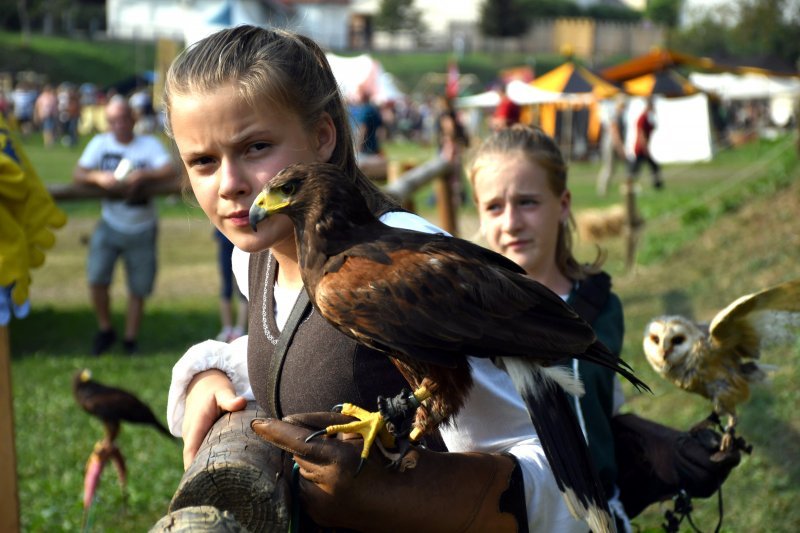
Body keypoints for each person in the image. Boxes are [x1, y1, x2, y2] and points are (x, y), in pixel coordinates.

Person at [163, 25, 587, 532]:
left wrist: (419, 491)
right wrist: (210, 373)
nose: (231, 185)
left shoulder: (395, 264)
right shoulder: (257, 257)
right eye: (204, 161)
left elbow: (546, 465)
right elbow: (303, 354)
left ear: (322, 137)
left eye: (256, 147)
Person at [468, 124, 631, 531]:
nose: (511, 222)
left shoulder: (600, 306)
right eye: (494, 206)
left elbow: (604, 407)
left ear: (562, 204)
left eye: (527, 202)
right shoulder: (463, 317)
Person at [73, 96, 175, 355]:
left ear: (133, 119)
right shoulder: (100, 143)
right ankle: (105, 329)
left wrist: (144, 175)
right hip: (109, 223)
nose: (118, 124)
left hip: (142, 226)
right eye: (112, 120)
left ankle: (130, 339)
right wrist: (98, 177)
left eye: (123, 119)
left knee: (138, 288)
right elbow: (79, 173)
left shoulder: (148, 144)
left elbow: (169, 169)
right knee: (96, 278)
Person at [213, 228, 247, 342]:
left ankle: (239, 330)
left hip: (243, 242)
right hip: (225, 241)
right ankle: (227, 329)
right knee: (226, 287)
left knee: (243, 287)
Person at [629, 97, 663, 190]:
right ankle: (630, 185)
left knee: (650, 167)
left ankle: (657, 185)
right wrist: (645, 149)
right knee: (637, 169)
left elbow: (654, 127)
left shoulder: (648, 118)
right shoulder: (642, 118)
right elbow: (641, 135)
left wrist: (656, 115)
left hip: (644, 148)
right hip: (640, 149)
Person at [597, 97, 628, 196]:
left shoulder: (618, 116)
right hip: (611, 143)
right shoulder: (615, 116)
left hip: (612, 142)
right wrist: (620, 148)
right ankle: (602, 191)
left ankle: (604, 190)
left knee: (611, 168)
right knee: (609, 168)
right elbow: (615, 134)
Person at [348, 87, 383, 158]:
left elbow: (363, 128)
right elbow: (381, 130)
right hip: (373, 146)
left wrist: (358, 146)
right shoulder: (374, 109)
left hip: (365, 148)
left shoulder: (365, 110)